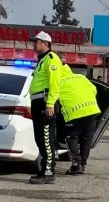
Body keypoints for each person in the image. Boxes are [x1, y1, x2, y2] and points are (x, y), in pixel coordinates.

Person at [28, 31, 64, 185]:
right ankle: (44, 170)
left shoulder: (52, 59)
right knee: (40, 138)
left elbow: (54, 84)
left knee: (47, 139)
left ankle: (48, 173)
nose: (34, 44)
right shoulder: (42, 60)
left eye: (36, 42)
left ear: (45, 43)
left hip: (45, 103)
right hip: (38, 103)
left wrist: (50, 104)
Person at [57, 65, 101, 175]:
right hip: (91, 111)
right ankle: (82, 165)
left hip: (73, 114)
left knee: (71, 138)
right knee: (86, 139)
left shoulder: (57, 82)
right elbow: (94, 90)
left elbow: (53, 98)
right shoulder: (81, 77)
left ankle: (76, 164)